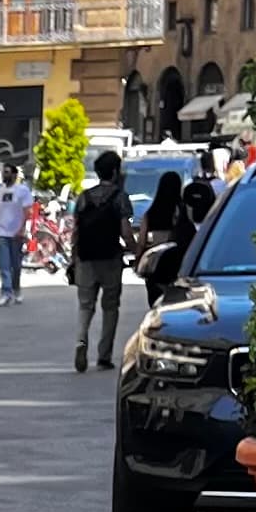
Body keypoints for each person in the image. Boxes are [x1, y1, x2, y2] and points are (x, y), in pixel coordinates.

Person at [69, 148, 132, 372]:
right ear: (115, 172)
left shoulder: (84, 197)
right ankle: (104, 355)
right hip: (110, 258)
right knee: (110, 307)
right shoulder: (120, 198)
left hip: (86, 258)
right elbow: (125, 231)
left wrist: (73, 258)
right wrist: (136, 250)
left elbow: (75, 231)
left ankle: (81, 340)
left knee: (86, 305)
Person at [136, 167, 190, 307]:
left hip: (154, 265)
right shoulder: (183, 212)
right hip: (177, 263)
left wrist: (138, 261)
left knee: (155, 303)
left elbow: (141, 242)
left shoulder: (151, 213)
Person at [0, 163, 35, 301]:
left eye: (8, 172)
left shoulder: (22, 190)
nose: (5, 175)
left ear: (15, 175)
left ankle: (16, 289)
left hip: (17, 232)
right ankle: (6, 293)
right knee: (4, 264)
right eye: (4, 172)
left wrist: (22, 228)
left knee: (15, 265)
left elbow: (27, 211)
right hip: (2, 232)